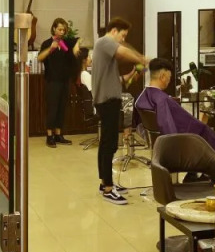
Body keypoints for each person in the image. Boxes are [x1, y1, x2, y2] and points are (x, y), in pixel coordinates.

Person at [134, 58, 215, 161]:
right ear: (162, 76)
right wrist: (174, 147)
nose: (169, 81)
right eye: (169, 77)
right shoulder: (162, 99)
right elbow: (168, 127)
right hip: (188, 138)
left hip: (162, 141)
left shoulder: (143, 95)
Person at [92, 17, 149, 205]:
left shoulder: (105, 51)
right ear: (114, 31)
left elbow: (117, 80)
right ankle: (108, 189)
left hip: (110, 100)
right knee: (109, 145)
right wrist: (142, 58)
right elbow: (123, 51)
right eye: (122, 35)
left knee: (107, 144)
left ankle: (105, 183)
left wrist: (132, 74)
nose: (123, 40)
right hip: (107, 101)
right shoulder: (104, 42)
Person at [37, 18, 83, 147]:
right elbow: (39, 58)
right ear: (54, 29)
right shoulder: (47, 43)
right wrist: (50, 49)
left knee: (62, 108)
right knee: (52, 108)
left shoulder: (65, 43)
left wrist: (76, 47)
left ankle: (58, 134)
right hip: (52, 80)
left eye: (64, 30)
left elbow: (79, 39)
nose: (62, 32)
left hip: (64, 80)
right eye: (60, 29)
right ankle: (49, 136)